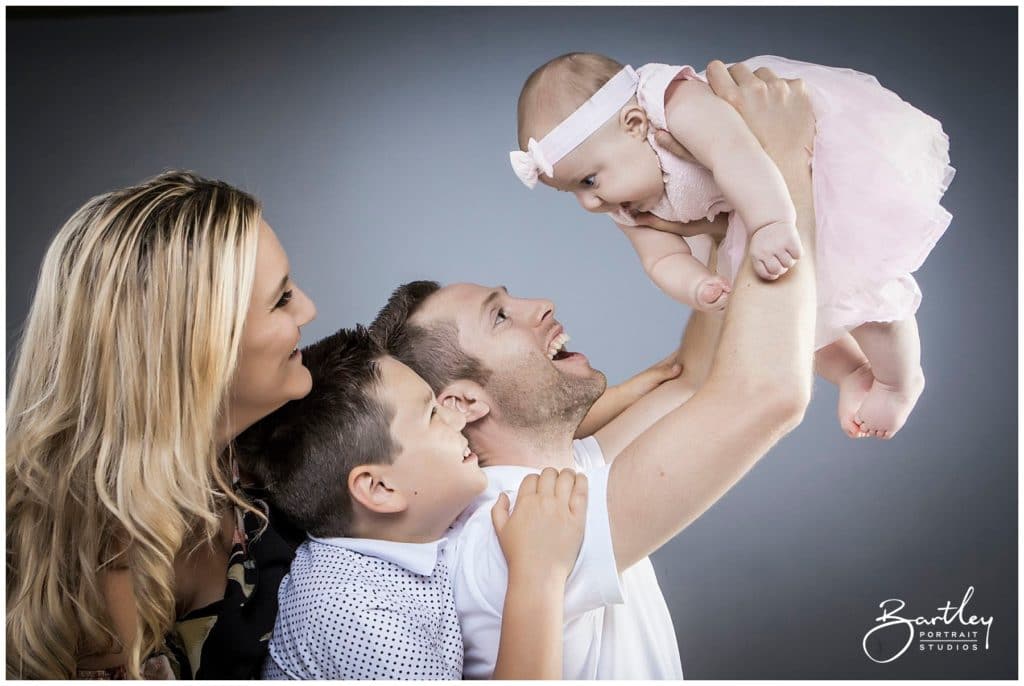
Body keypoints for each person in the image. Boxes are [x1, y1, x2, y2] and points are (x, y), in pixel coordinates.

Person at [369, 61, 818, 679]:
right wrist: (787, 173)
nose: (541, 305)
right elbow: (765, 394)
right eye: (500, 317)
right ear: (463, 403)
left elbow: (692, 379)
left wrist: (728, 202)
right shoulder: (511, 534)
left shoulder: (566, 472)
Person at [511, 52, 956, 439]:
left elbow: (735, 151)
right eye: (572, 192)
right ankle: (852, 372)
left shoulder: (676, 106)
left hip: (802, 179)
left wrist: (770, 221)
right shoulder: (623, 202)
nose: (590, 202)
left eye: (589, 180)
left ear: (634, 124)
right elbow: (660, 257)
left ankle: (899, 381)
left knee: (861, 290)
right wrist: (697, 286)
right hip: (748, 226)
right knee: (785, 319)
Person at [6, 171, 318, 679]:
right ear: (196, 349)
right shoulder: (104, 569)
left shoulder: (258, 450)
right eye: (281, 299)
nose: (309, 307)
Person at [235, 325, 589, 679]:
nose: (456, 417)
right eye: (432, 414)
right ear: (379, 488)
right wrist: (538, 572)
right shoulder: (355, 611)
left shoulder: (399, 525)